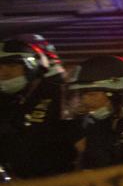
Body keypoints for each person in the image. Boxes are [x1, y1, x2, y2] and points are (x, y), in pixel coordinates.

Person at [0, 38, 77, 178]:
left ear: (31, 66)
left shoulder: (60, 95)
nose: (3, 73)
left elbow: (81, 145)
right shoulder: (8, 101)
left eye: (11, 65)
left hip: (57, 184)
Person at [64, 54, 123, 169]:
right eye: (81, 95)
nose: (85, 101)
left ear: (118, 93)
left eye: (91, 94)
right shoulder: (96, 124)